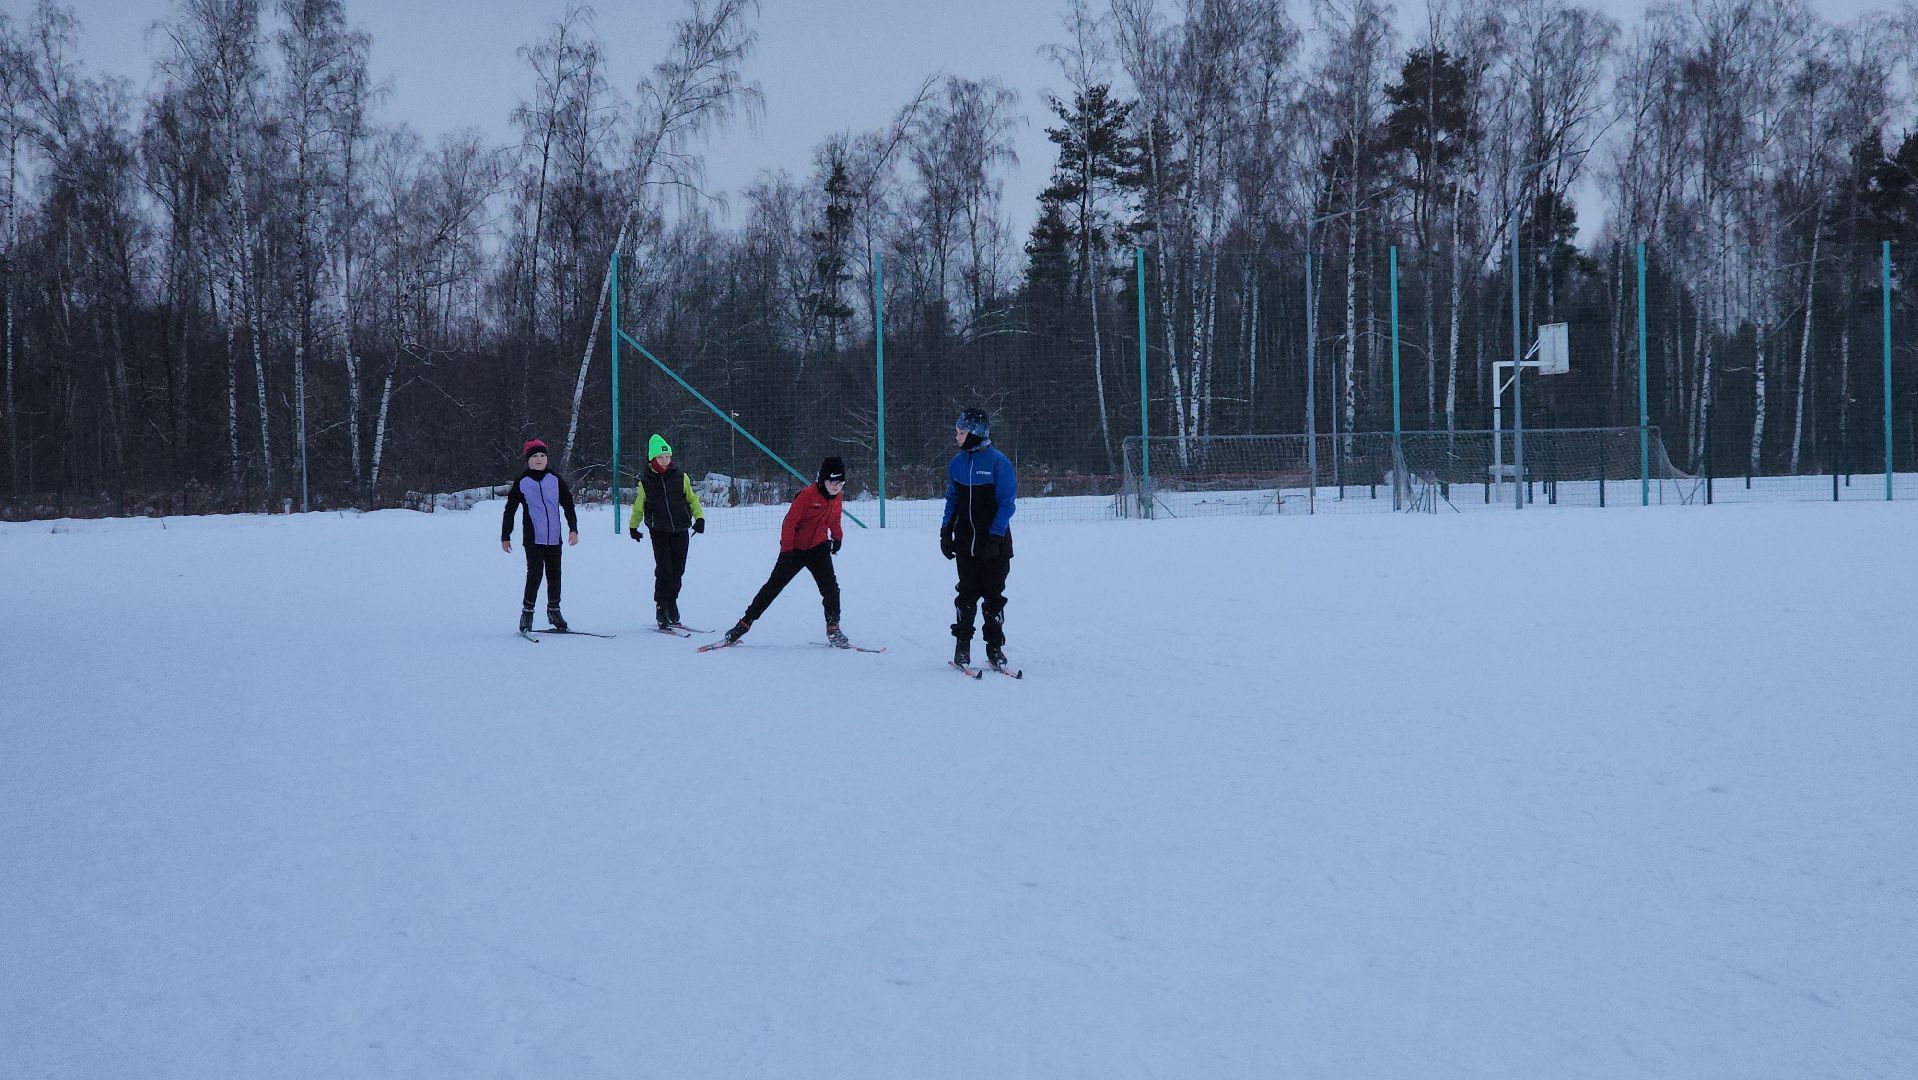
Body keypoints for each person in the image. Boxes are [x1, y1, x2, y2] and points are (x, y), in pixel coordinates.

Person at [720, 457, 848, 646]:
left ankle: (833, 628)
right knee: (773, 587)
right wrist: (787, 550)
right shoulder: (806, 496)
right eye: (833, 482)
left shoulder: (837, 498)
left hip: (819, 548)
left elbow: (835, 519)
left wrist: (837, 537)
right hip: (794, 549)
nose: (836, 487)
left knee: (831, 589)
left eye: (840, 482)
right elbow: (789, 523)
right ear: (822, 480)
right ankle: (744, 624)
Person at [940, 407, 1016, 669]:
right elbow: (952, 499)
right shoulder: (957, 464)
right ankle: (962, 648)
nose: (957, 437)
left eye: (961, 433)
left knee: (993, 597)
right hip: (965, 544)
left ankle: (995, 649)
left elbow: (1007, 503)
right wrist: (945, 531)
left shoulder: (998, 462)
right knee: (966, 596)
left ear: (975, 433)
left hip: (995, 546)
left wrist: (995, 538)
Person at [627, 433, 706, 630]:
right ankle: (661, 605)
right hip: (659, 530)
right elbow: (639, 506)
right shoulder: (646, 481)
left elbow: (692, 499)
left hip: (680, 528)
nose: (665, 461)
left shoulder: (680, 477)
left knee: (678, 569)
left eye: (667, 457)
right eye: (661, 457)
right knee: (664, 570)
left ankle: (672, 602)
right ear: (652, 459)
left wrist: (700, 518)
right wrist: (633, 526)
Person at [501, 438, 579, 633]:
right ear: (528, 460)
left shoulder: (555, 479)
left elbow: (568, 504)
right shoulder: (523, 482)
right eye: (535, 456)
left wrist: (573, 529)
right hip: (533, 539)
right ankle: (527, 613)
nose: (539, 459)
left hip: (554, 538)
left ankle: (554, 610)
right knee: (534, 575)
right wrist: (505, 535)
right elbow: (510, 510)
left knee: (555, 575)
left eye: (542, 455)